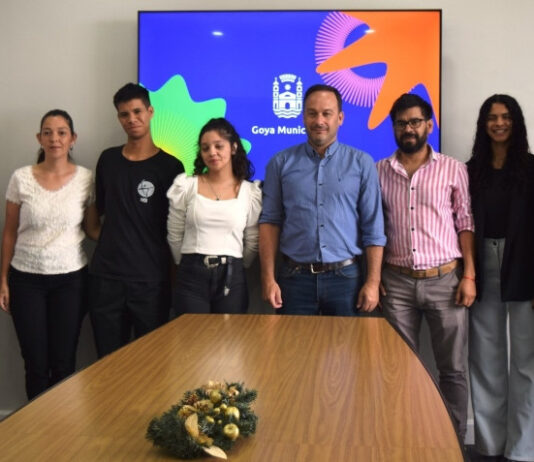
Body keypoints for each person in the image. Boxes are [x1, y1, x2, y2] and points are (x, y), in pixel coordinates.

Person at [377, 93, 476, 443]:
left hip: (445, 281)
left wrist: (469, 275)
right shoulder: (379, 170)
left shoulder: (453, 168)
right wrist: (374, 276)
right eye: (401, 123)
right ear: (394, 127)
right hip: (396, 284)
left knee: (453, 370)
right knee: (399, 368)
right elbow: (373, 228)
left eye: (415, 121)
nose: (409, 128)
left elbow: (465, 223)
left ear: (429, 125)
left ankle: (452, 443)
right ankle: (404, 440)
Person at [259, 84, 386, 316]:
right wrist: (267, 279)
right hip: (294, 280)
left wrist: (373, 282)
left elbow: (373, 227)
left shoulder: (361, 163)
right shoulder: (280, 163)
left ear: (340, 118)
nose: (319, 121)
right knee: (293, 341)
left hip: (346, 281)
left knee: (346, 342)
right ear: (303, 117)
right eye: (312, 113)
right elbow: (270, 222)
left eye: (327, 113)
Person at [0, 109, 97, 399]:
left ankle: (62, 424)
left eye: (61, 132)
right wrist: (3, 279)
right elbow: (9, 232)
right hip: (25, 280)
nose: (55, 138)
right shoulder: (21, 178)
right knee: (35, 363)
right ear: (39, 138)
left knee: (64, 361)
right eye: (48, 132)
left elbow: (93, 228)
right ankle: (36, 424)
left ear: (72, 138)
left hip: (71, 281)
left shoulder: (86, 179)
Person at [89, 83, 184, 358]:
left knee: (152, 364)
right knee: (108, 363)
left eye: (137, 111)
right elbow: (95, 215)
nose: (131, 119)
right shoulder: (108, 160)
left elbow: (175, 231)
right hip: (106, 280)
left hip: (151, 282)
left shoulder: (171, 167)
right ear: (119, 118)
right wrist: (110, 240)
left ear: (150, 112)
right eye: (124, 114)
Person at [467, 94, 534, 462]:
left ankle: (522, 449)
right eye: (492, 117)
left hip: (525, 266)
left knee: (526, 362)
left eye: (506, 117)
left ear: (516, 122)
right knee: (485, 357)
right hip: (481, 265)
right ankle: (490, 445)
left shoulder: (531, 168)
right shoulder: (470, 170)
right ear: (484, 124)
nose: (499, 123)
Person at [167, 118, 261, 314]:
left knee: (230, 333)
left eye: (219, 146)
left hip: (232, 276)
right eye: (205, 148)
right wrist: (186, 264)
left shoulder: (250, 192)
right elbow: (175, 234)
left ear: (233, 148)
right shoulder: (186, 186)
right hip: (191, 275)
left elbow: (252, 240)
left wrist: (237, 264)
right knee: (191, 332)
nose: (212, 152)